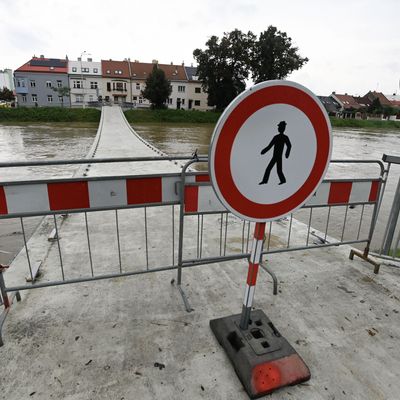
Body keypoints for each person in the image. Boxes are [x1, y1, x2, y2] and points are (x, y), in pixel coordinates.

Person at [259, 121, 292, 185]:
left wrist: (287, 153)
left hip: (278, 156)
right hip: (275, 156)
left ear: (283, 128)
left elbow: (289, 145)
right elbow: (270, 146)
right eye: (279, 127)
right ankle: (281, 180)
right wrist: (264, 151)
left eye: (280, 127)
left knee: (271, 169)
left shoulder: (285, 137)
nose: (278, 128)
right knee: (277, 170)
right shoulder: (276, 137)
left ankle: (281, 181)